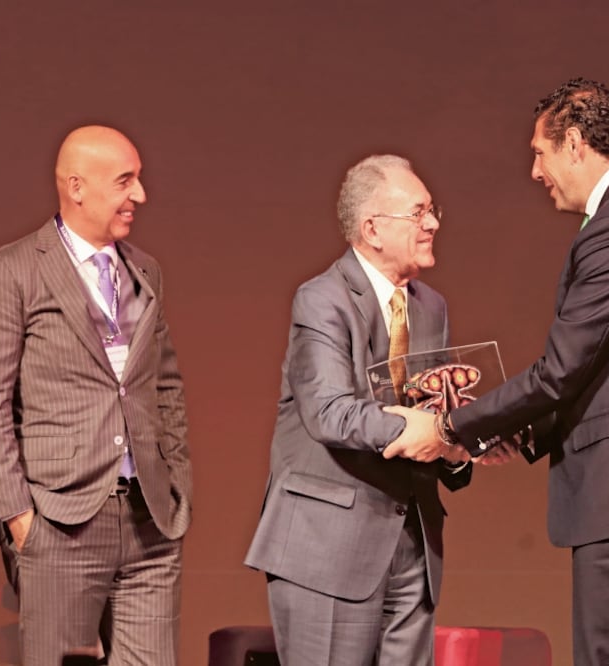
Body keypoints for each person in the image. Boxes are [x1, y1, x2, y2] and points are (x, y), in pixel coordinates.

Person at [388, 78, 609, 665]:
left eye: (539, 152)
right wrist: (520, 432)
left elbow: (560, 372)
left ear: (574, 143)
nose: (534, 171)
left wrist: (449, 428)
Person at [0, 125, 192, 666]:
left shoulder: (144, 269)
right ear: (77, 187)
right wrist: (17, 514)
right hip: (60, 520)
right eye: (125, 181)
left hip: (149, 519)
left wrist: (174, 479)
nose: (140, 195)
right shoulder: (10, 271)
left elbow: (166, 385)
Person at [245, 155, 483, 665]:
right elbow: (330, 412)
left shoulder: (431, 307)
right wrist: (431, 428)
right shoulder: (321, 300)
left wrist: (463, 442)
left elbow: (435, 410)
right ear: (372, 229)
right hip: (326, 548)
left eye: (432, 211)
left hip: (412, 542)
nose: (433, 223)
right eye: (418, 213)